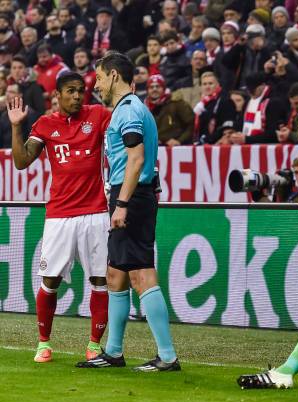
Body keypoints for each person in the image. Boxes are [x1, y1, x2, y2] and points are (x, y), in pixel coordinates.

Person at [77, 52, 180, 372]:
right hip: (132, 195)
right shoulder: (131, 109)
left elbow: (136, 159)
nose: (96, 84)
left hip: (130, 197)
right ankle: (113, 352)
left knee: (140, 274)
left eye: (100, 77)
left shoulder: (130, 111)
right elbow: (144, 157)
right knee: (116, 275)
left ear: (114, 76)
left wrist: (122, 204)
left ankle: (168, 356)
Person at [8, 72, 111, 363]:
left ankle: (94, 345)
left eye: (81, 91)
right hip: (60, 215)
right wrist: (17, 127)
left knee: (100, 280)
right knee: (49, 280)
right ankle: (43, 343)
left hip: (95, 213)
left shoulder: (99, 115)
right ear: (58, 95)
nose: (78, 96)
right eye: (71, 91)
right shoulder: (45, 124)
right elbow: (21, 161)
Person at [145, 74, 194, 146]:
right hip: (157, 148)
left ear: (164, 88)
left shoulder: (176, 103)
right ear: (147, 90)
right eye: (151, 87)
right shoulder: (145, 108)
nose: (154, 89)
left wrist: (179, 140)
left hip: (178, 149)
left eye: (158, 86)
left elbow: (191, 124)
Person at [194, 71, 236, 144]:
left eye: (210, 83)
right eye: (204, 84)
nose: (207, 86)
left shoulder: (225, 100)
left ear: (217, 85)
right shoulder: (203, 103)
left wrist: (209, 140)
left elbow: (226, 126)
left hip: (218, 144)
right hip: (203, 143)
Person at [0, 83, 38, 147]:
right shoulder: (3, 115)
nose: (7, 94)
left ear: (20, 95)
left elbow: (32, 139)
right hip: (5, 153)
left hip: (23, 152)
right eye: (6, 91)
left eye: (11, 92)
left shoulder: (29, 113)